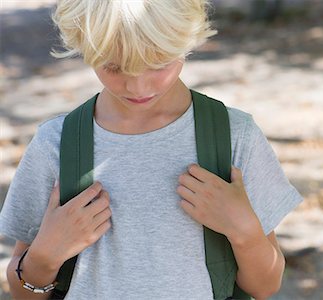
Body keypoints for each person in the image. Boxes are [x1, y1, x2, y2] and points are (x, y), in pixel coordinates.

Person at [0, 0, 303, 299]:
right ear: (83, 44)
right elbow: (23, 292)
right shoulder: (55, 144)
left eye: (158, 63)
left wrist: (244, 231)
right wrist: (45, 255)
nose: (138, 87)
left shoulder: (235, 137)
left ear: (186, 39)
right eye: (114, 66)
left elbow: (265, 286)